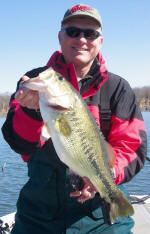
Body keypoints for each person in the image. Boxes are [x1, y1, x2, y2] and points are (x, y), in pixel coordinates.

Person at [2, 4, 147, 234]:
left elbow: (133, 147)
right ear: (60, 37)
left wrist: (105, 176)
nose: (81, 39)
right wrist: (30, 112)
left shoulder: (118, 88)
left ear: (99, 41)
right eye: (73, 32)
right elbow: (20, 144)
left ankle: (113, 203)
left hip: (100, 220)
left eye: (90, 34)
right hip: (38, 215)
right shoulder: (34, 81)